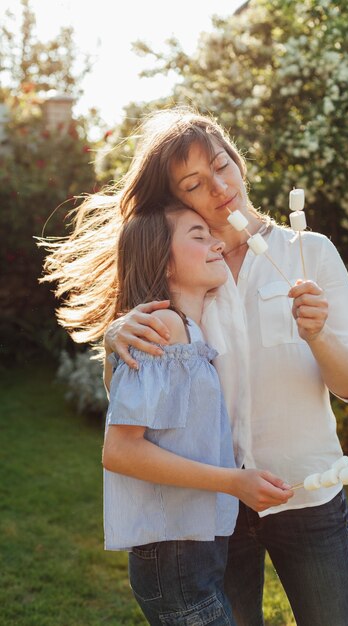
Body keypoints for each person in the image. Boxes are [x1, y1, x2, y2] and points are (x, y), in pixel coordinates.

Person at [103, 106, 348, 626]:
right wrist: (117, 337)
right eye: (194, 183)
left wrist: (317, 336)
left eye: (222, 165)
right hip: (218, 509)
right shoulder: (183, 273)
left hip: (309, 494)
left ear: (240, 163)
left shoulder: (309, 254)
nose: (218, 187)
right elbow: (131, 394)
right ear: (177, 200)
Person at [39, 196, 293, 625]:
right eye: (199, 236)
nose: (216, 244)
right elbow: (120, 451)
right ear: (164, 261)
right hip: (176, 558)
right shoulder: (165, 328)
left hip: (191, 550)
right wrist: (235, 482)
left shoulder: (189, 331)